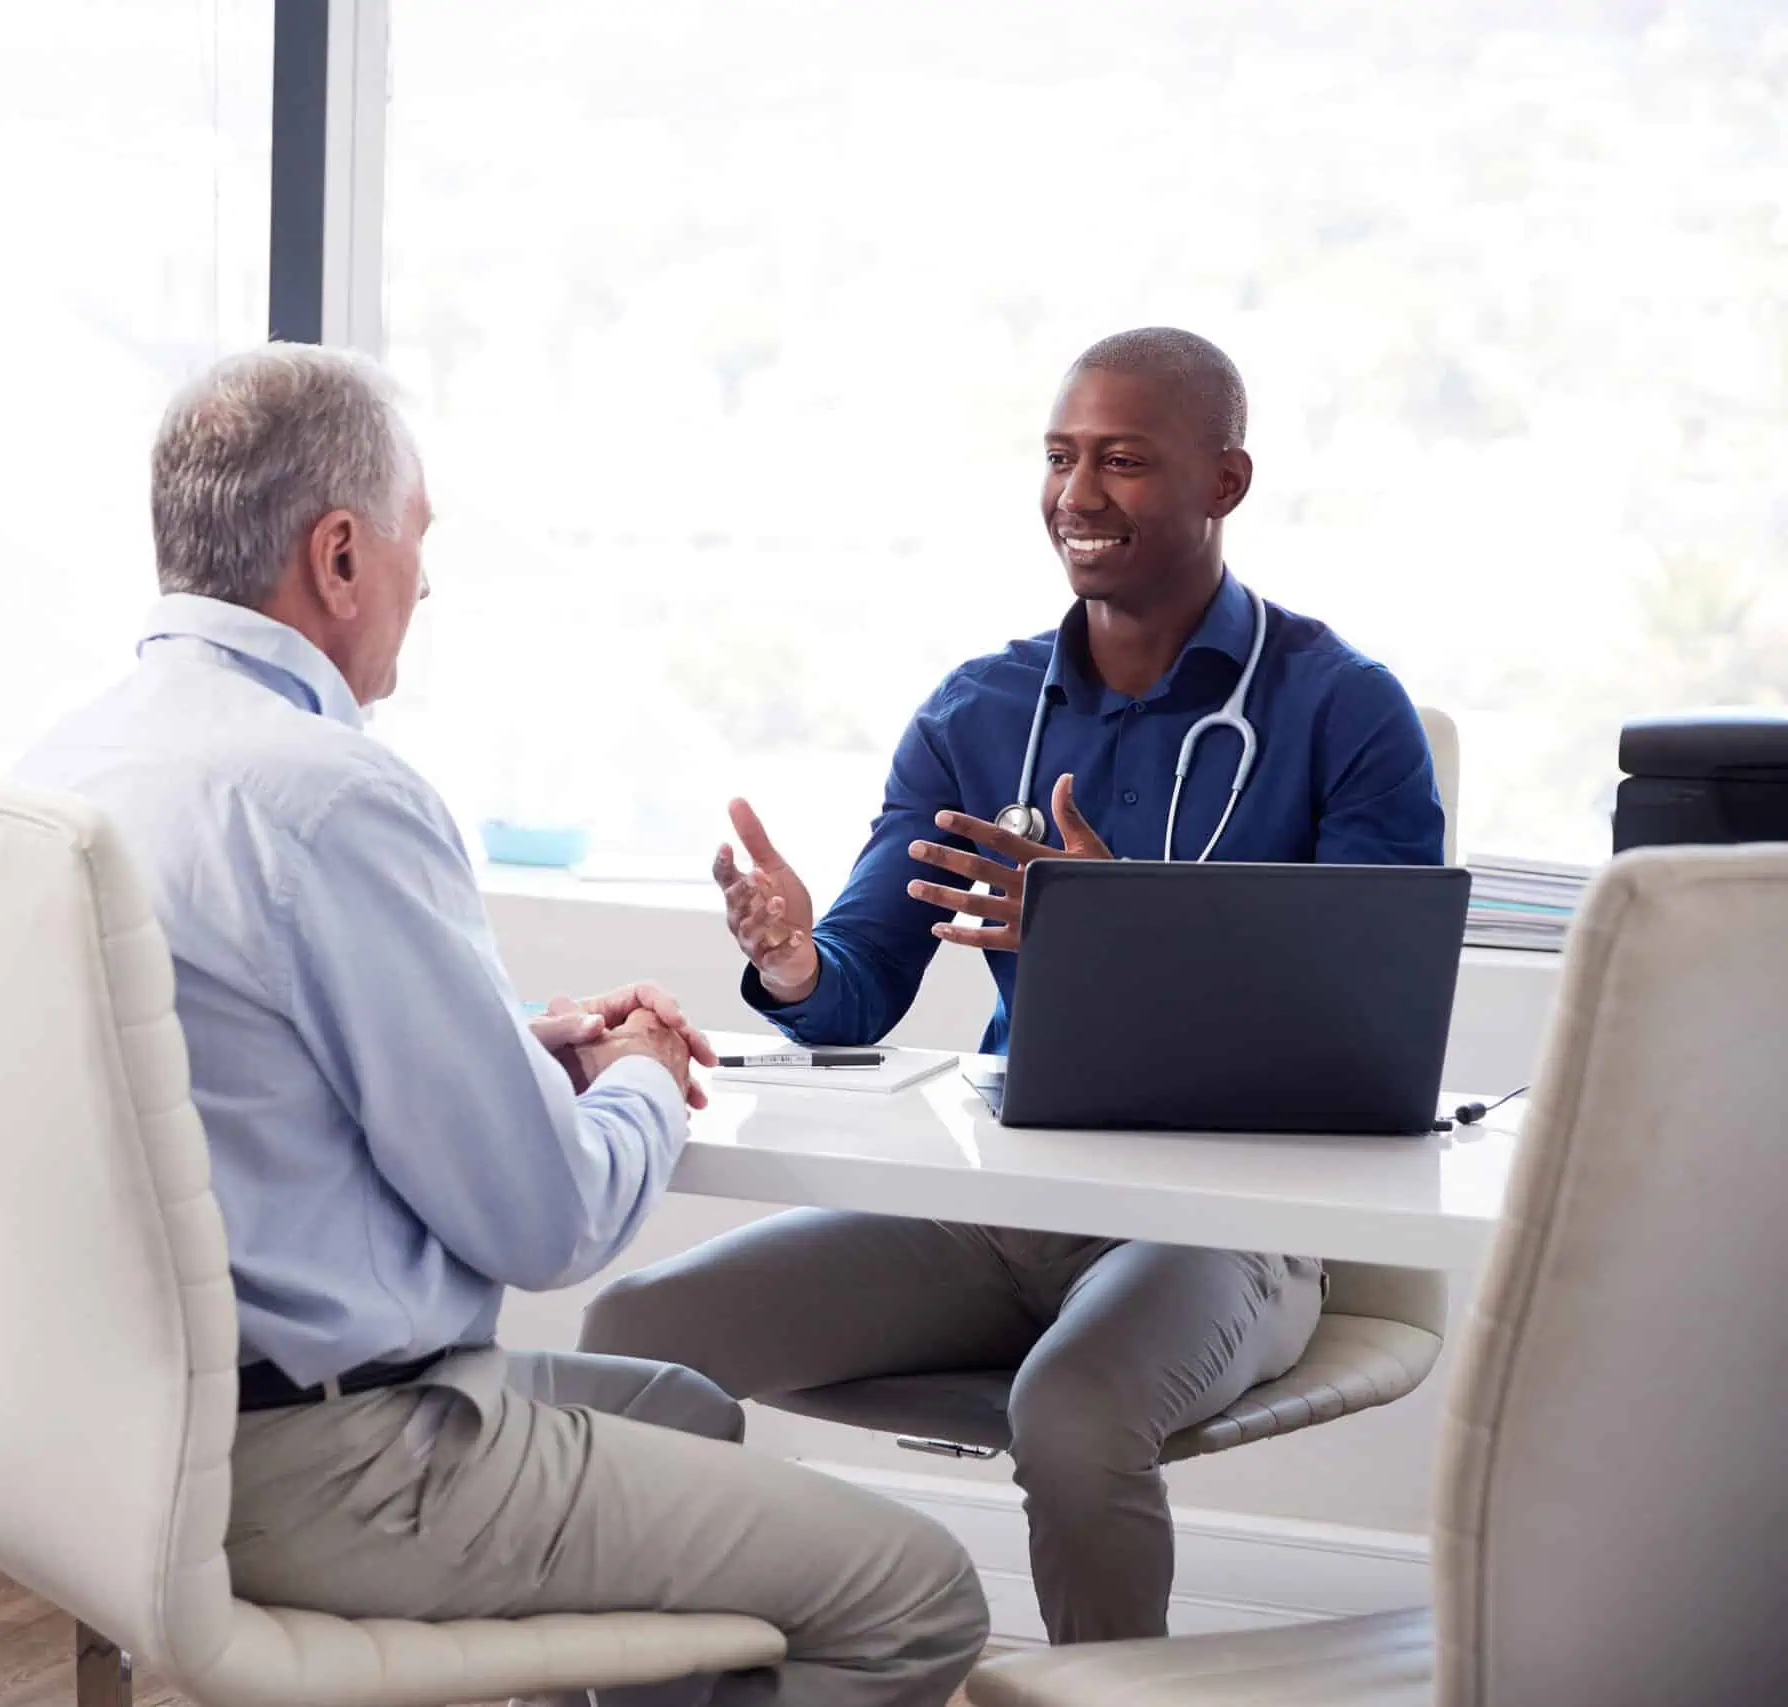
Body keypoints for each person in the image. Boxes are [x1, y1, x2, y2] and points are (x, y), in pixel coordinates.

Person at [16, 344, 988, 1707]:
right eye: (418, 541)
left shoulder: (72, 758)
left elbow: (215, 1081)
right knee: (917, 1590)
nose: (427, 579)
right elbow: (549, 1222)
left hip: (118, 1439)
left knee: (687, 1410)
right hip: (344, 1471)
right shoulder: (327, 795)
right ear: (341, 555)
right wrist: (643, 1072)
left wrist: (506, 1050)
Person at [580, 328, 1445, 1647]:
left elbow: (1366, 1035)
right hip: (1002, 1210)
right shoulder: (980, 710)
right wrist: (792, 956)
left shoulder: (1343, 712)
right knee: (636, 1333)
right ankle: (688, 1671)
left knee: (1075, 1408)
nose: (1078, 493)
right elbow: (859, 985)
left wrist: (1122, 933)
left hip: (1227, 1227)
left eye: (1124, 460)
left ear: (1226, 480)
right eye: (1059, 457)